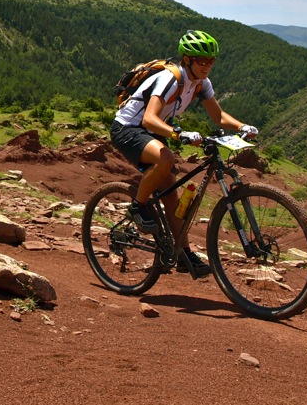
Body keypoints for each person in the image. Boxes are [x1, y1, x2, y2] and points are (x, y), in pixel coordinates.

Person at [110, 29, 258, 278]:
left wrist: (242, 126)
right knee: (165, 158)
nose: (207, 66)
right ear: (187, 59)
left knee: (172, 198)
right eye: (202, 61)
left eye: (211, 61)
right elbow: (149, 118)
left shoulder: (202, 83)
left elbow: (219, 116)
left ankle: (183, 253)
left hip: (151, 131)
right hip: (128, 128)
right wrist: (179, 134)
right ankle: (138, 207)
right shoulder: (170, 79)